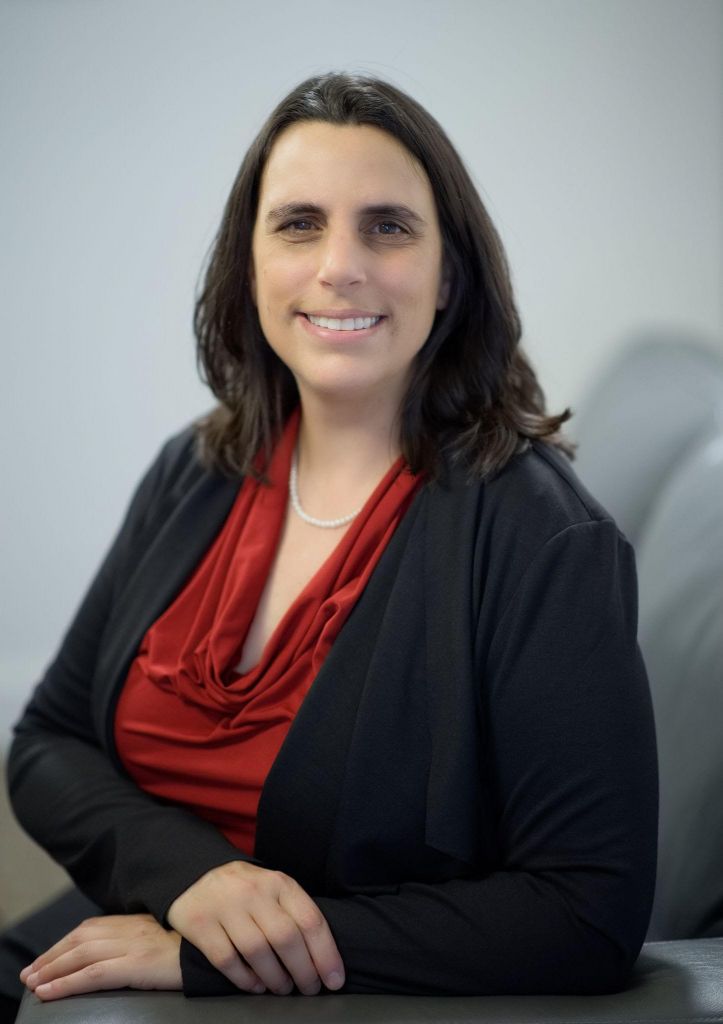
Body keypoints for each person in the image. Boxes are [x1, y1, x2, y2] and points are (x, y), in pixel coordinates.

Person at [2, 72, 657, 1017]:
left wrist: (214, 953)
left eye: (387, 227)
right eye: (298, 223)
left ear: (450, 274)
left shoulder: (542, 539)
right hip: (113, 928)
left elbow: (588, 911)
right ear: (250, 264)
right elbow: (48, 743)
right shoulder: (197, 469)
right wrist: (193, 880)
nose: (338, 265)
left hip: (316, 994)